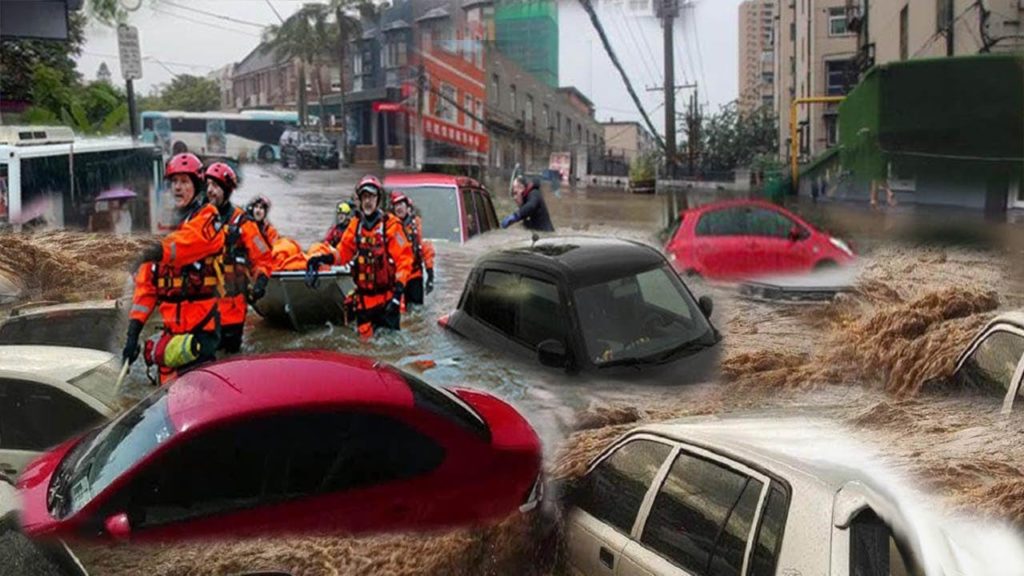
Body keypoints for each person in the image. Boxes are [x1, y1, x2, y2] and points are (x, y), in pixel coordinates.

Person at [122, 152, 225, 385]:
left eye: (184, 182)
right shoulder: (164, 228)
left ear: (197, 185)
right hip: (172, 333)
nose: (178, 187)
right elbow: (146, 289)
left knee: (193, 397)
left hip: (200, 332)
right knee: (166, 396)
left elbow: (186, 244)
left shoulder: (209, 219)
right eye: (174, 182)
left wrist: (149, 252)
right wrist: (132, 334)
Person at [305, 175, 412, 339]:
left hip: (388, 301)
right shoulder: (355, 225)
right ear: (360, 200)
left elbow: (404, 261)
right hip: (364, 302)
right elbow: (342, 254)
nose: (368, 201)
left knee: (390, 349)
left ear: (378, 199)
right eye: (364, 197)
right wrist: (320, 259)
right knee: (366, 349)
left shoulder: (391, 226)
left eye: (371, 196)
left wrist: (397, 296)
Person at [205, 162, 273, 354]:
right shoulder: (198, 221)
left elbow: (264, 259)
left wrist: (260, 281)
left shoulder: (244, 224)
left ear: (227, 190)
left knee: (230, 361)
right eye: (208, 185)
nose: (210, 190)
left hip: (232, 310)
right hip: (203, 309)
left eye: (216, 186)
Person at [389, 190, 434, 306]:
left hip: (414, 275)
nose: (399, 208)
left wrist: (430, 274)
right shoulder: (390, 227)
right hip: (397, 277)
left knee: (416, 311)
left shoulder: (417, 224)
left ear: (407, 206)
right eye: (396, 205)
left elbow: (426, 248)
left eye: (401, 204)